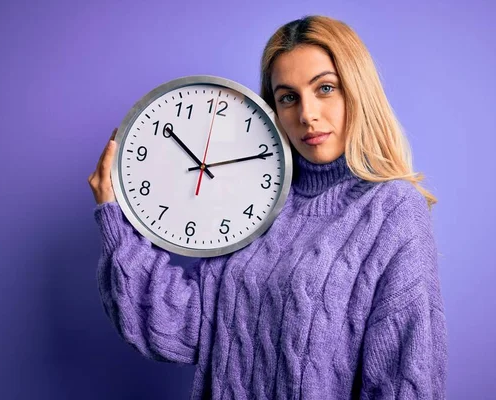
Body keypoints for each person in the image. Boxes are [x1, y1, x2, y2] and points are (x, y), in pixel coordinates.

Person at [88, 15, 447, 399]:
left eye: (325, 88)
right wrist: (115, 216)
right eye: (288, 97)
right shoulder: (255, 203)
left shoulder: (391, 209)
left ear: (357, 91)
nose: (307, 115)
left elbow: (406, 379)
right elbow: (180, 328)